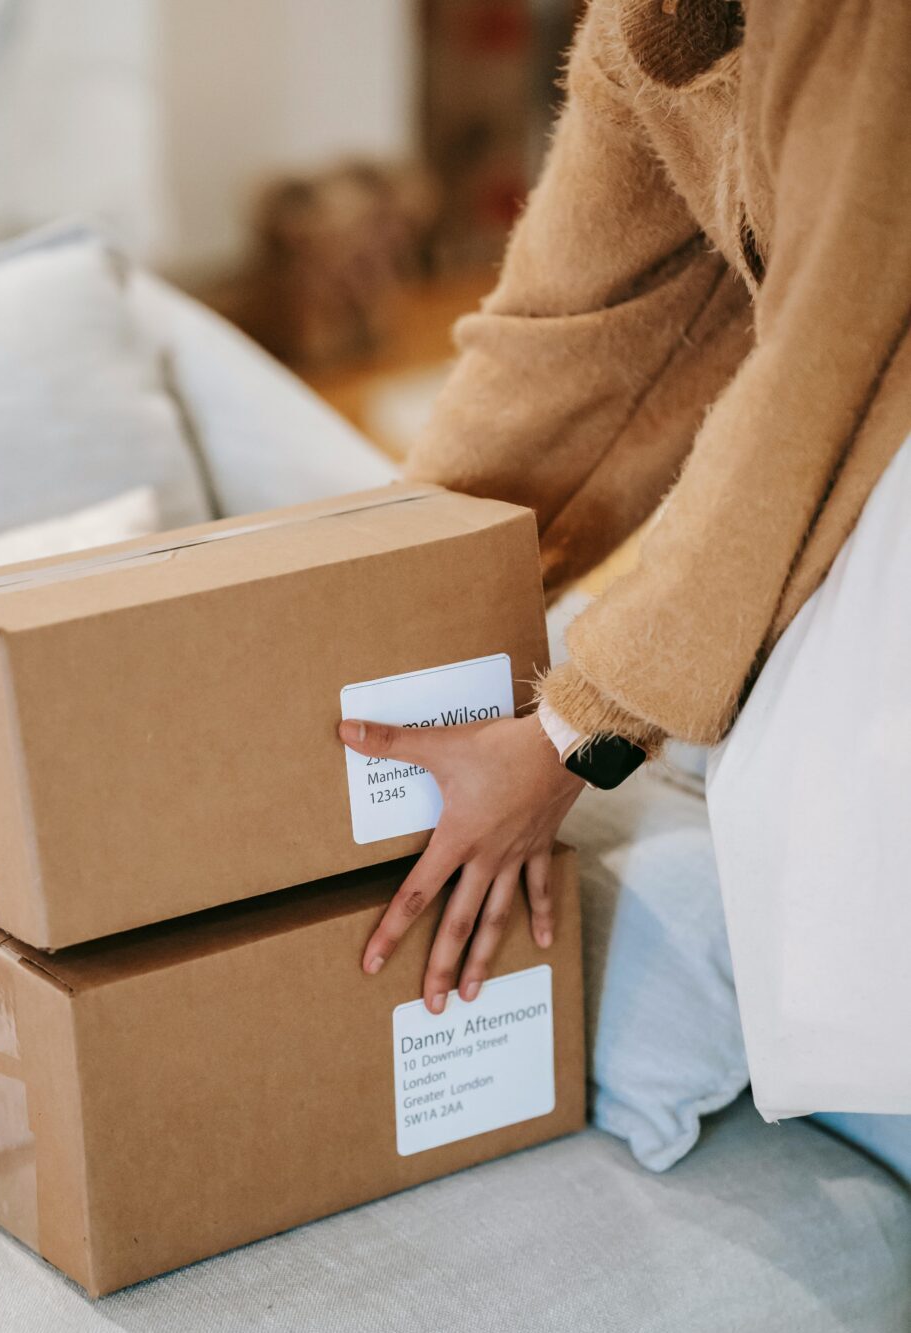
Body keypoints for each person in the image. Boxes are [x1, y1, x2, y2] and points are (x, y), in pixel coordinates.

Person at [339, 0, 911, 1016]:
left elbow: (826, 362)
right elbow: (563, 339)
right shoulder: (640, 29)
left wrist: (579, 730)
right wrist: (376, 596)